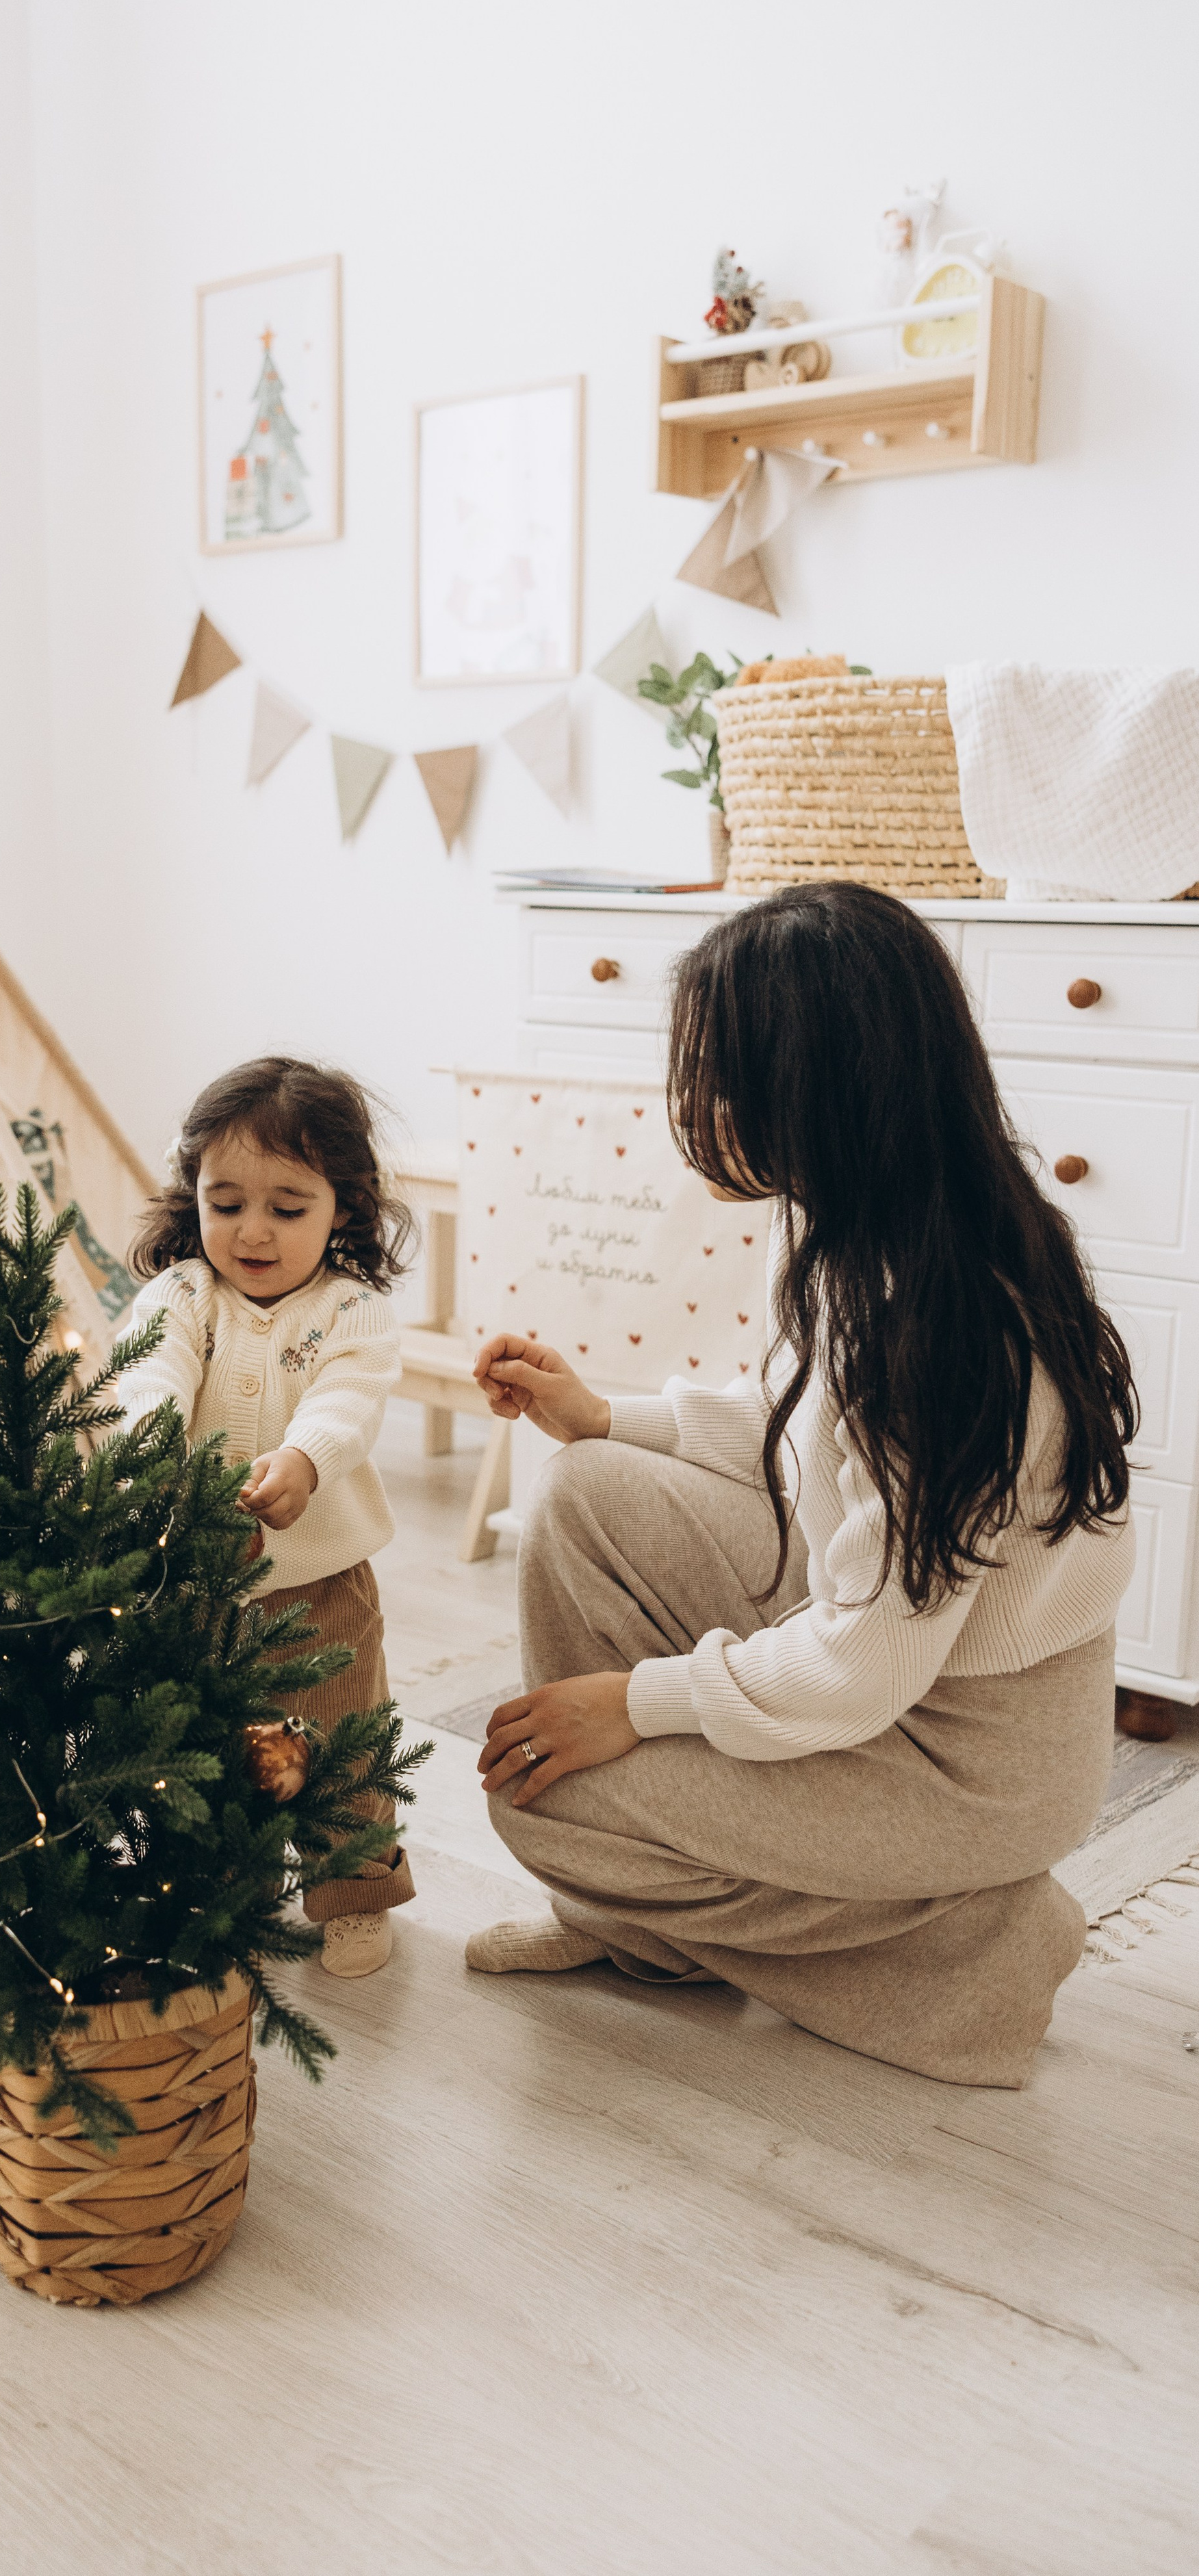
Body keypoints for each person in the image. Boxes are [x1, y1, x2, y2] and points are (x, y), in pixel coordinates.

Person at [466, 881, 1137, 2089]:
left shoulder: (939, 1331)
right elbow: (803, 1438)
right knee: (583, 1490)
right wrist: (605, 1414)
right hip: (905, 1668)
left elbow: (861, 1670)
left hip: (971, 1759)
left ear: (819, 1092)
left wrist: (640, 1703)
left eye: (721, 1082)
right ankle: (645, 1934)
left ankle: (969, 1951)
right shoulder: (869, 1228)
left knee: (541, 1801)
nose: (694, 1109)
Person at [119, 1057, 413, 1978]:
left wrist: (304, 1458)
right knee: (206, 1744)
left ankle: (353, 1893)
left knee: (337, 1743)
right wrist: (152, 1447)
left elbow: (348, 1399)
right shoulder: (180, 1296)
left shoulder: (353, 1312)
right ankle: (218, 1889)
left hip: (320, 1583)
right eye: (226, 1203)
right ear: (193, 1195)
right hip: (193, 1583)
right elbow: (149, 1372)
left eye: (287, 1209)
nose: (252, 1231)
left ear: (343, 1211)